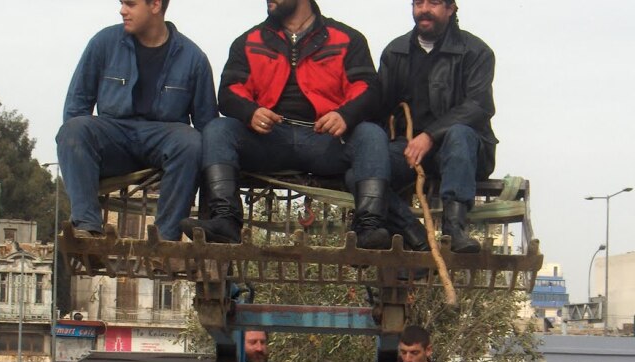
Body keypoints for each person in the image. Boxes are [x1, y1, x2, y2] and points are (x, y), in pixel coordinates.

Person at [181, 0, 394, 249]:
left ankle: (368, 229)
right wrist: (251, 112)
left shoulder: (348, 38)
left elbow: (368, 89)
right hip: (269, 140)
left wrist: (344, 115)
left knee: (371, 134)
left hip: (326, 139)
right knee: (218, 129)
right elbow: (229, 92)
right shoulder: (249, 40)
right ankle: (225, 221)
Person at [56, 0, 217, 242]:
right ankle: (87, 227)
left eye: (130, 4)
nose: (122, 10)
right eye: (122, 3)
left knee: (192, 142)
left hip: (163, 140)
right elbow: (77, 105)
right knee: (73, 130)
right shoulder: (103, 43)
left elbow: (207, 124)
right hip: (114, 136)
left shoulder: (193, 58)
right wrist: (82, 158)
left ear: (155, 5)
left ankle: (166, 240)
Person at [373, 0, 494, 254]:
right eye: (418, 3)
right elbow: (379, 107)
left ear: (450, 9)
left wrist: (429, 135)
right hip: (409, 151)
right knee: (363, 169)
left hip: (465, 152)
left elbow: (478, 106)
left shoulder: (475, 52)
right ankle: (414, 233)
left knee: (459, 134)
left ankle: (455, 230)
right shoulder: (395, 52)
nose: (424, 9)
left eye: (434, 3)